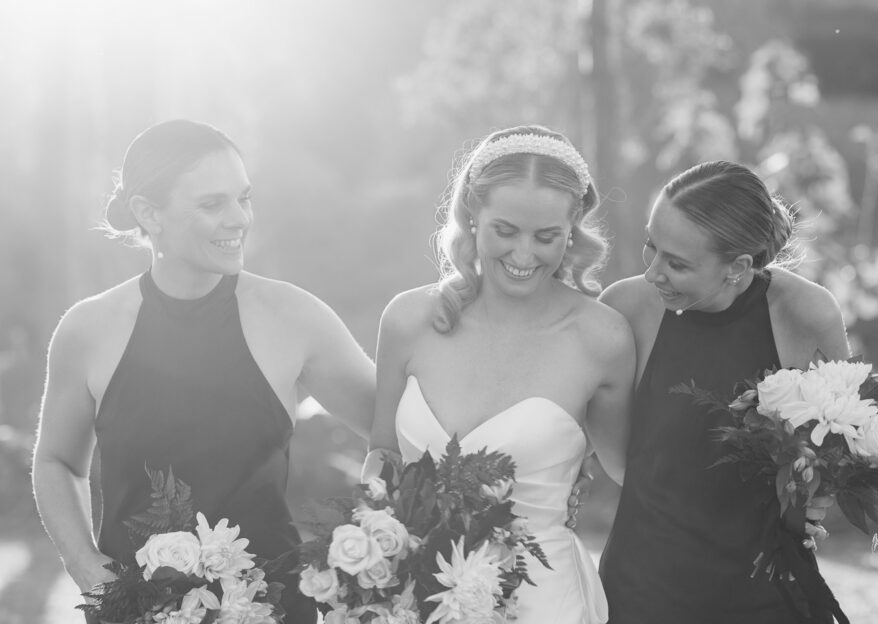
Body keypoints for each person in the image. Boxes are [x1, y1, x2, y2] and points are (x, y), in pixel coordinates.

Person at [31, 119, 376, 623]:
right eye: (213, 204)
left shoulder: (296, 317)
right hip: (135, 613)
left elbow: (393, 433)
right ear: (149, 213)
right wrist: (83, 563)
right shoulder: (87, 330)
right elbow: (56, 462)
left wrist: (362, 545)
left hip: (274, 610)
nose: (239, 218)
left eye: (244, 198)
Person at [368, 125, 635, 624]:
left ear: (573, 225)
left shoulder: (602, 338)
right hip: (411, 595)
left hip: (541, 600)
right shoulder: (408, 320)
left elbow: (632, 472)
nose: (523, 255)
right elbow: (383, 452)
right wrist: (371, 537)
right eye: (505, 231)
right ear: (472, 216)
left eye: (546, 236)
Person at [598, 160, 850, 624]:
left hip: (771, 591)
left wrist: (813, 495)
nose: (653, 272)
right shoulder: (624, 309)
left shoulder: (807, 313)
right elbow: (616, 457)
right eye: (651, 245)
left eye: (676, 263)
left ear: (737, 267)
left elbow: (840, 439)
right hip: (645, 589)